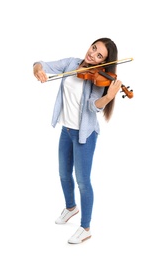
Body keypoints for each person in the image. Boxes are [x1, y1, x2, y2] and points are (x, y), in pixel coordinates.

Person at [33, 37, 122, 244]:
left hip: (85, 135)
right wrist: (38, 70)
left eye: (99, 56)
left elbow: (94, 106)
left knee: (83, 181)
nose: (92, 55)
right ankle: (71, 207)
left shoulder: (98, 79)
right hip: (66, 130)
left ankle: (86, 227)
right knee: (64, 174)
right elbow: (41, 64)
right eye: (94, 48)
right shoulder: (72, 64)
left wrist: (109, 96)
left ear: (103, 62)